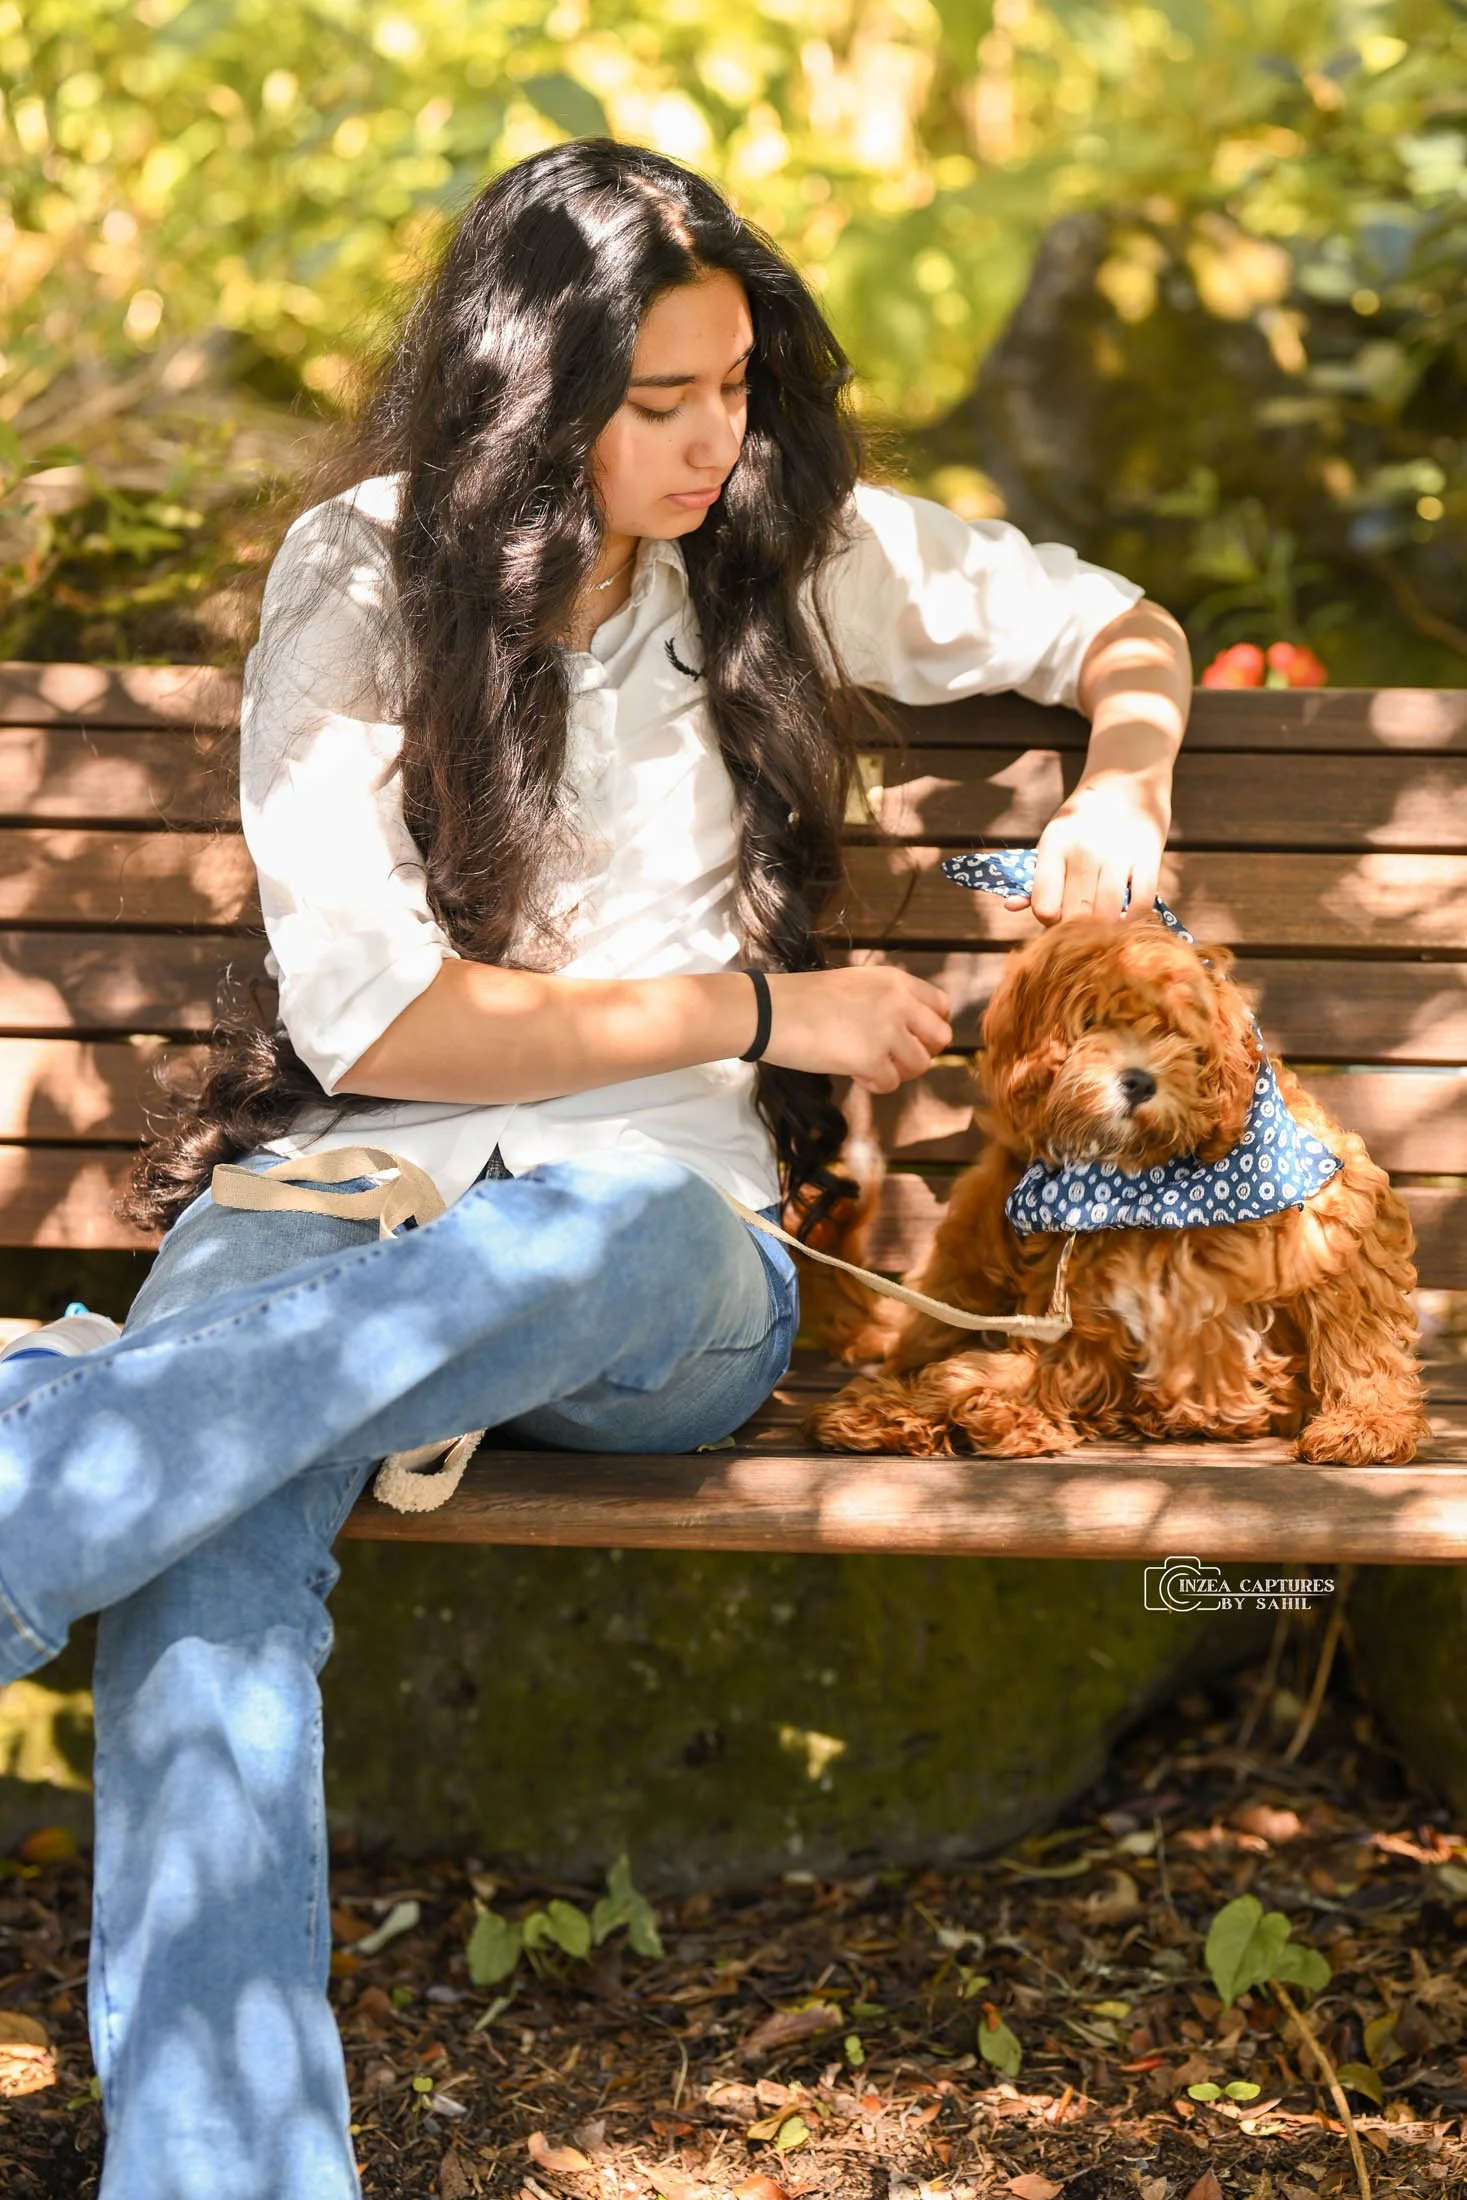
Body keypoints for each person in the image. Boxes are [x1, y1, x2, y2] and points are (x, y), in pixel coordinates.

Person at [0, 139, 1191, 2198]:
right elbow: (371, 1027)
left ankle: (41, 1464)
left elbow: (1122, 626)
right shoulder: (361, 575)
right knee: (211, 1544)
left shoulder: (783, 548)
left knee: (604, 1223)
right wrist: (754, 1011)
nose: (713, 441)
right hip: (326, 1209)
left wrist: (1127, 785)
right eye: (658, 402)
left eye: (734, 387)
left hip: (651, 1269)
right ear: (525, 398)